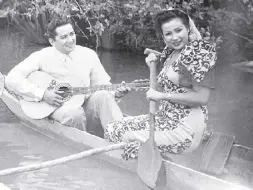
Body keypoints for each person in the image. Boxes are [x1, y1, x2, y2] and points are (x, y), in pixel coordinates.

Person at [105, 9, 217, 160]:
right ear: (163, 36)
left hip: (185, 129)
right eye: (168, 34)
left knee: (115, 132)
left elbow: (203, 97)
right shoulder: (172, 52)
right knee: (114, 126)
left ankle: (154, 156)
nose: (175, 37)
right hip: (166, 119)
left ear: (188, 28)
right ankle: (153, 153)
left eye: (179, 30)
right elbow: (169, 85)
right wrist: (150, 66)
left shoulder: (196, 54)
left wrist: (162, 96)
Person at [5, 16, 130, 133]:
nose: (70, 40)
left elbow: (102, 85)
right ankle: (86, 144)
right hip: (57, 108)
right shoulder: (41, 56)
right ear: (52, 41)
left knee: (103, 95)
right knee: (75, 114)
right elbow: (12, 79)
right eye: (64, 37)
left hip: (85, 105)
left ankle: (120, 136)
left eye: (72, 34)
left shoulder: (89, 54)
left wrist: (116, 93)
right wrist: (42, 94)